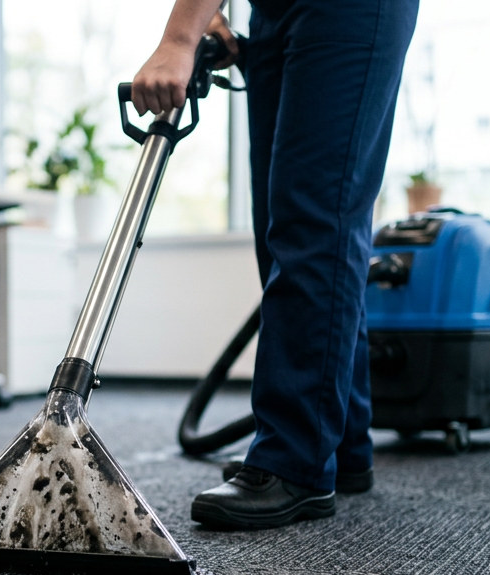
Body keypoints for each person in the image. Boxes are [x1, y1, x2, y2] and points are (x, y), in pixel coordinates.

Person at [132, 0, 418, 529]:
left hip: (349, 11)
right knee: (282, 225)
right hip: (273, 13)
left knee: (315, 216)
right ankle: (342, 444)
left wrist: (179, 38)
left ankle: (295, 461)